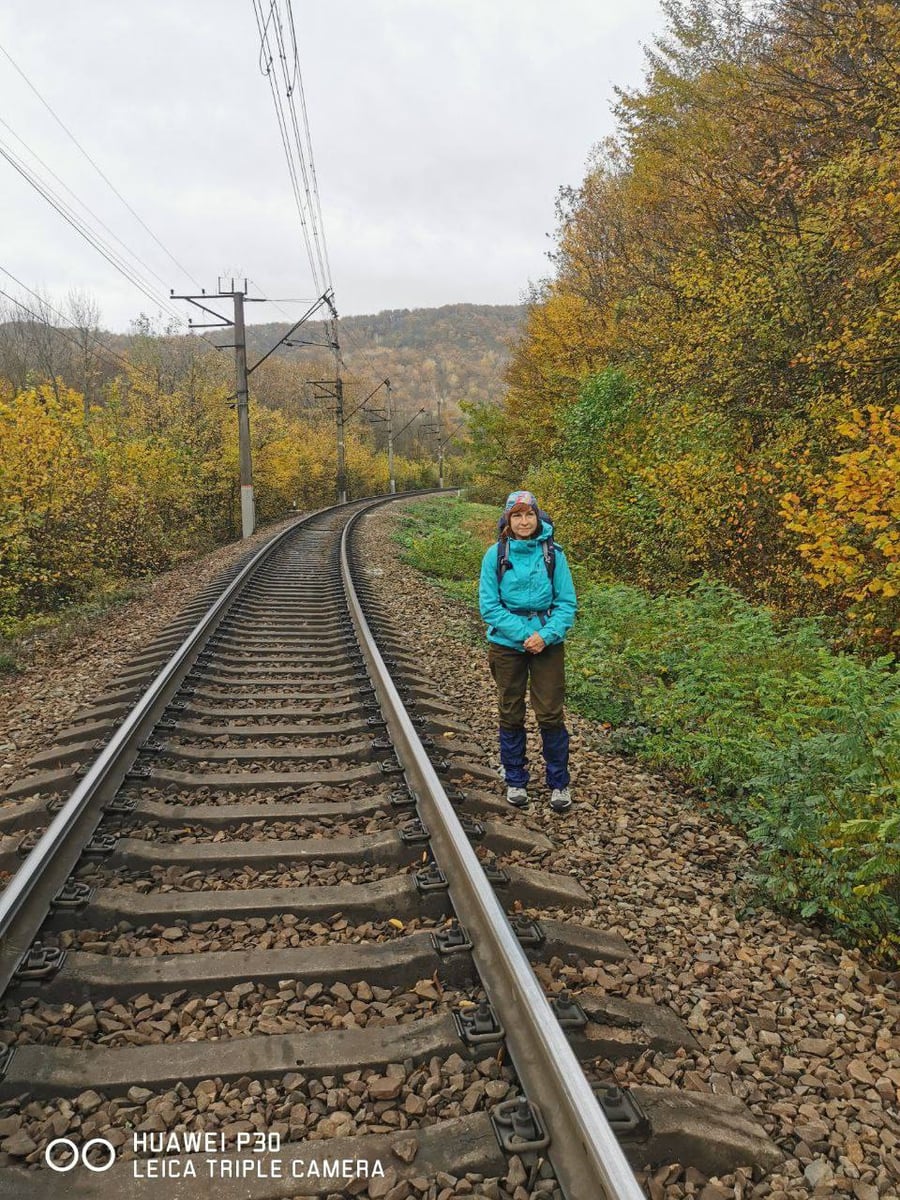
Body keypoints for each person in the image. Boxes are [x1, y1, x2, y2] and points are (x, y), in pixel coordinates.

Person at [478, 490, 577, 812]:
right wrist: (525, 635)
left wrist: (545, 636)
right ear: (507, 519)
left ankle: (559, 783)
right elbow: (489, 607)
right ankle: (516, 778)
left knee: (550, 712)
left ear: (538, 518)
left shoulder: (554, 555)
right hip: (507, 644)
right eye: (517, 515)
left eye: (529, 514)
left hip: (547, 643)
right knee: (510, 709)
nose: (523, 521)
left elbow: (566, 604)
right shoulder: (495, 555)